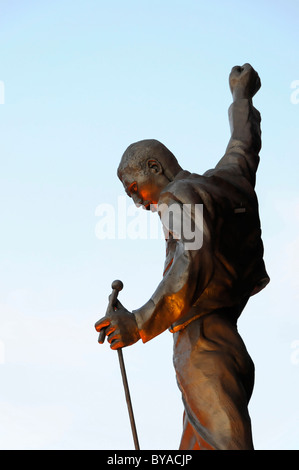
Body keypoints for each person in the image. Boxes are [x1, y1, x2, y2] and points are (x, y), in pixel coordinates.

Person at [95, 63, 270, 450]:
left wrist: (138, 322)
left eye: (134, 190)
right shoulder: (225, 183)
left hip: (203, 345)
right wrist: (242, 98)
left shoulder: (175, 196)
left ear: (154, 168)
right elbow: (243, 147)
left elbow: (191, 264)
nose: (139, 203)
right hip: (224, 343)